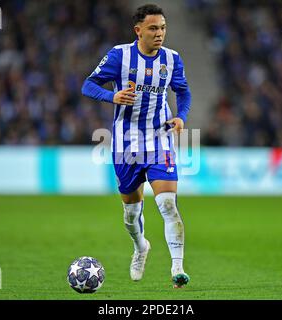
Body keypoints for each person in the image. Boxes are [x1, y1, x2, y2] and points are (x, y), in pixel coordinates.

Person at [81, 4, 191, 288]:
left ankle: (177, 268)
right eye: (153, 28)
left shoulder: (172, 59)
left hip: (159, 138)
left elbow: (183, 91)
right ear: (138, 30)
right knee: (131, 214)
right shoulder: (120, 55)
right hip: (125, 143)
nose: (160, 34)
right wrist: (112, 96)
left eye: (163, 28)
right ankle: (141, 246)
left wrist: (180, 116)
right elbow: (88, 85)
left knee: (168, 204)